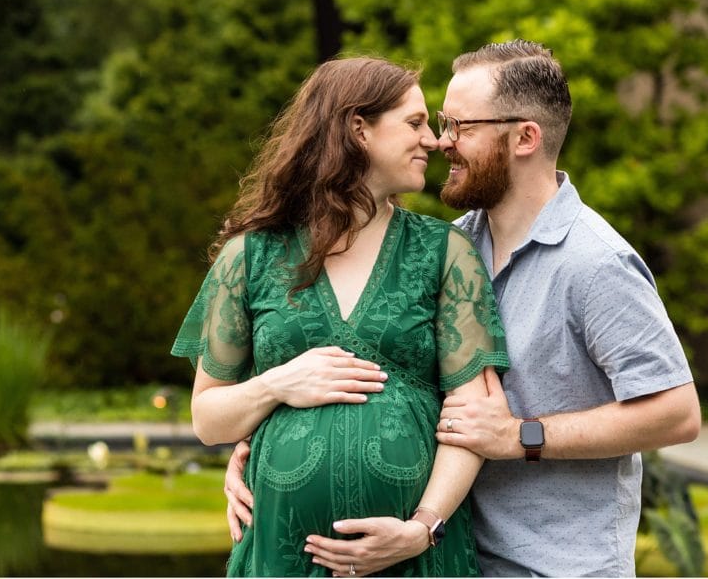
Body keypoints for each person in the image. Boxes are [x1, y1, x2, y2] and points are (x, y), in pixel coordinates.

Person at [224, 41, 702, 577]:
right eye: (441, 123)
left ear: (525, 137)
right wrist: (260, 445)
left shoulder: (595, 263)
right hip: (460, 555)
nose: (441, 141)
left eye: (460, 126)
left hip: (558, 566)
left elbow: (677, 412)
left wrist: (521, 436)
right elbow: (400, 377)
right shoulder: (452, 247)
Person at [171, 56, 510, 577]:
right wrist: (277, 384)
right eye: (415, 123)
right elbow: (207, 418)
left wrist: (422, 528)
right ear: (359, 129)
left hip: (416, 560)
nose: (436, 141)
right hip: (281, 559)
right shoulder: (251, 256)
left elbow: (474, 418)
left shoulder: (444, 252)